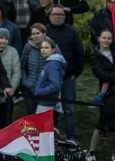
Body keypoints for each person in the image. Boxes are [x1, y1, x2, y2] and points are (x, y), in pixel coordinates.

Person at [41, 5, 82, 137]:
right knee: (47, 110)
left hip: (67, 79)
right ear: (50, 16)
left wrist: (75, 73)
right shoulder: (44, 32)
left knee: (68, 110)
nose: (58, 17)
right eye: (55, 14)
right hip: (48, 79)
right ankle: (46, 137)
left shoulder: (72, 32)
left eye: (61, 15)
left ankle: (70, 138)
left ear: (65, 17)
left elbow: (80, 54)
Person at [89, 29, 115, 161]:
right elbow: (101, 73)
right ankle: (91, 151)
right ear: (99, 38)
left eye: (109, 38)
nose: (106, 40)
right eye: (104, 38)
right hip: (107, 93)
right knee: (102, 122)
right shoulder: (95, 55)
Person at [0, 28, 22, 128]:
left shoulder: (13, 52)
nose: (3, 41)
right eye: (1, 38)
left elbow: (17, 71)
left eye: (6, 38)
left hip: (8, 94)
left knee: (6, 121)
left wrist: (12, 88)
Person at [33, 37, 66, 117]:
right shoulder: (49, 63)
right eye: (42, 48)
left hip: (46, 102)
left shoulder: (53, 64)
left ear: (53, 50)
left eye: (46, 48)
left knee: (42, 127)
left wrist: (40, 92)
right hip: (44, 101)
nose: (43, 50)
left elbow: (55, 85)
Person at [20, 24, 47, 113]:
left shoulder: (52, 46)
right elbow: (23, 66)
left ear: (43, 34)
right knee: (32, 116)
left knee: (44, 117)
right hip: (30, 88)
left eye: (38, 33)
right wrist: (25, 81)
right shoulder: (28, 47)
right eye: (33, 34)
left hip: (45, 89)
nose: (35, 36)